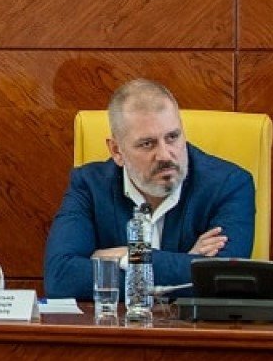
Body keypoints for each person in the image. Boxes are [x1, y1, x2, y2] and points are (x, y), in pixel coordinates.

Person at [43, 79, 255, 299]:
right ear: (117, 151)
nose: (165, 155)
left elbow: (226, 278)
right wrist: (188, 264)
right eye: (147, 144)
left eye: (172, 137)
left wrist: (129, 255)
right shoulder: (89, 185)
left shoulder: (229, 184)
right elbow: (60, 278)